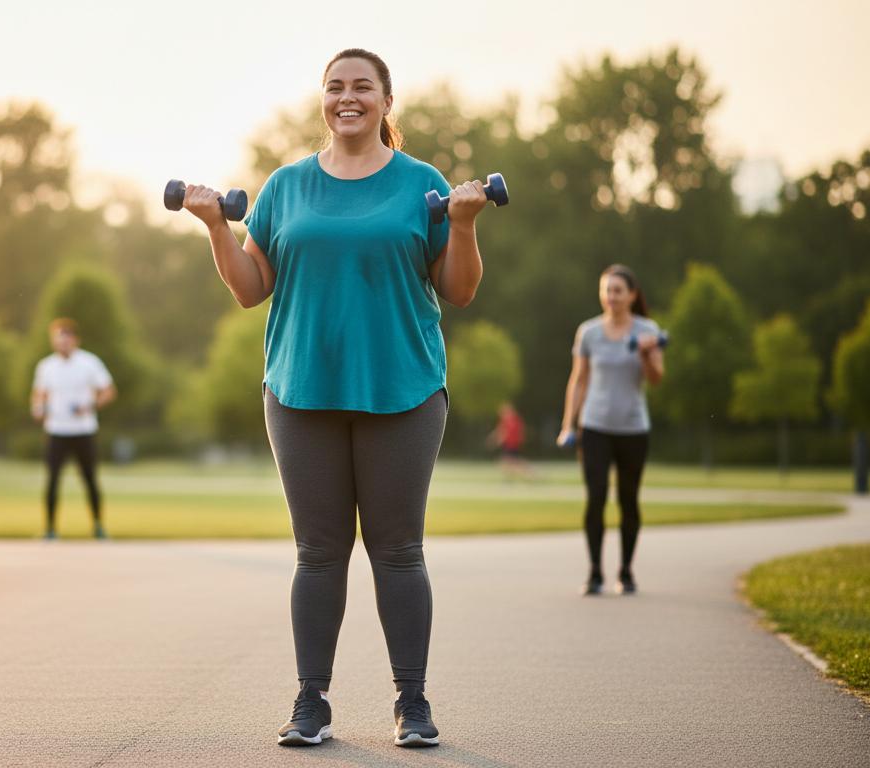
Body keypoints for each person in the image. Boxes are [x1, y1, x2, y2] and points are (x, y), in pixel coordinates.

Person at [179, 48, 490, 748]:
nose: (347, 98)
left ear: (386, 102)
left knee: (398, 549)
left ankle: (413, 704)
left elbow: (461, 290)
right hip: (301, 390)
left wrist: (464, 223)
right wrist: (215, 227)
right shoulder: (286, 186)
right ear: (323, 100)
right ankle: (310, 704)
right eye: (335, 87)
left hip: (403, 389)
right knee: (318, 552)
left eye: (362, 87)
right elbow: (249, 288)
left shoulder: (423, 185)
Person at [556, 265, 665, 596]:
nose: (611, 296)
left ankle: (627, 571)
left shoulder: (648, 330)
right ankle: (594, 573)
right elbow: (579, 379)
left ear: (632, 295)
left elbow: (657, 378)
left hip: (633, 428)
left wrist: (647, 354)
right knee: (597, 496)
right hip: (595, 427)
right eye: (607, 290)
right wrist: (568, 424)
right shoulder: (588, 332)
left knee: (628, 500)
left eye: (618, 290)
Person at [31, 318, 117, 540]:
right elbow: (39, 394)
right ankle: (50, 528)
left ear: (75, 341)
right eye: (59, 340)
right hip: (56, 430)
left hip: (83, 430)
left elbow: (108, 391)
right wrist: (38, 408)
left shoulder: (89, 363)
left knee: (89, 478)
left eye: (67, 340)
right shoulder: (46, 366)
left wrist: (90, 406)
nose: (63, 344)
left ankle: (98, 525)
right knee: (52, 480)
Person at [486, 402, 530, 481]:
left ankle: (529, 474)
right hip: (510, 444)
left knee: (510, 463)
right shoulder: (509, 420)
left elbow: (504, 433)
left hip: (512, 444)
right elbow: (500, 431)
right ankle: (511, 479)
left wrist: (496, 441)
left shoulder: (512, 420)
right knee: (510, 463)